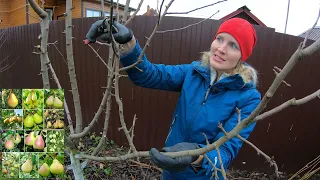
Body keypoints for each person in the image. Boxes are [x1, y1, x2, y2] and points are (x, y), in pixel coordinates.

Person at [85, 17, 261, 180]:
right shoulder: (194, 72)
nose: (221, 49)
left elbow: (227, 150)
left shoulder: (248, 97)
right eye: (220, 39)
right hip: (170, 165)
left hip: (203, 175)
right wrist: (128, 42)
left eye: (233, 46)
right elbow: (148, 75)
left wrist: (195, 155)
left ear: (242, 56)